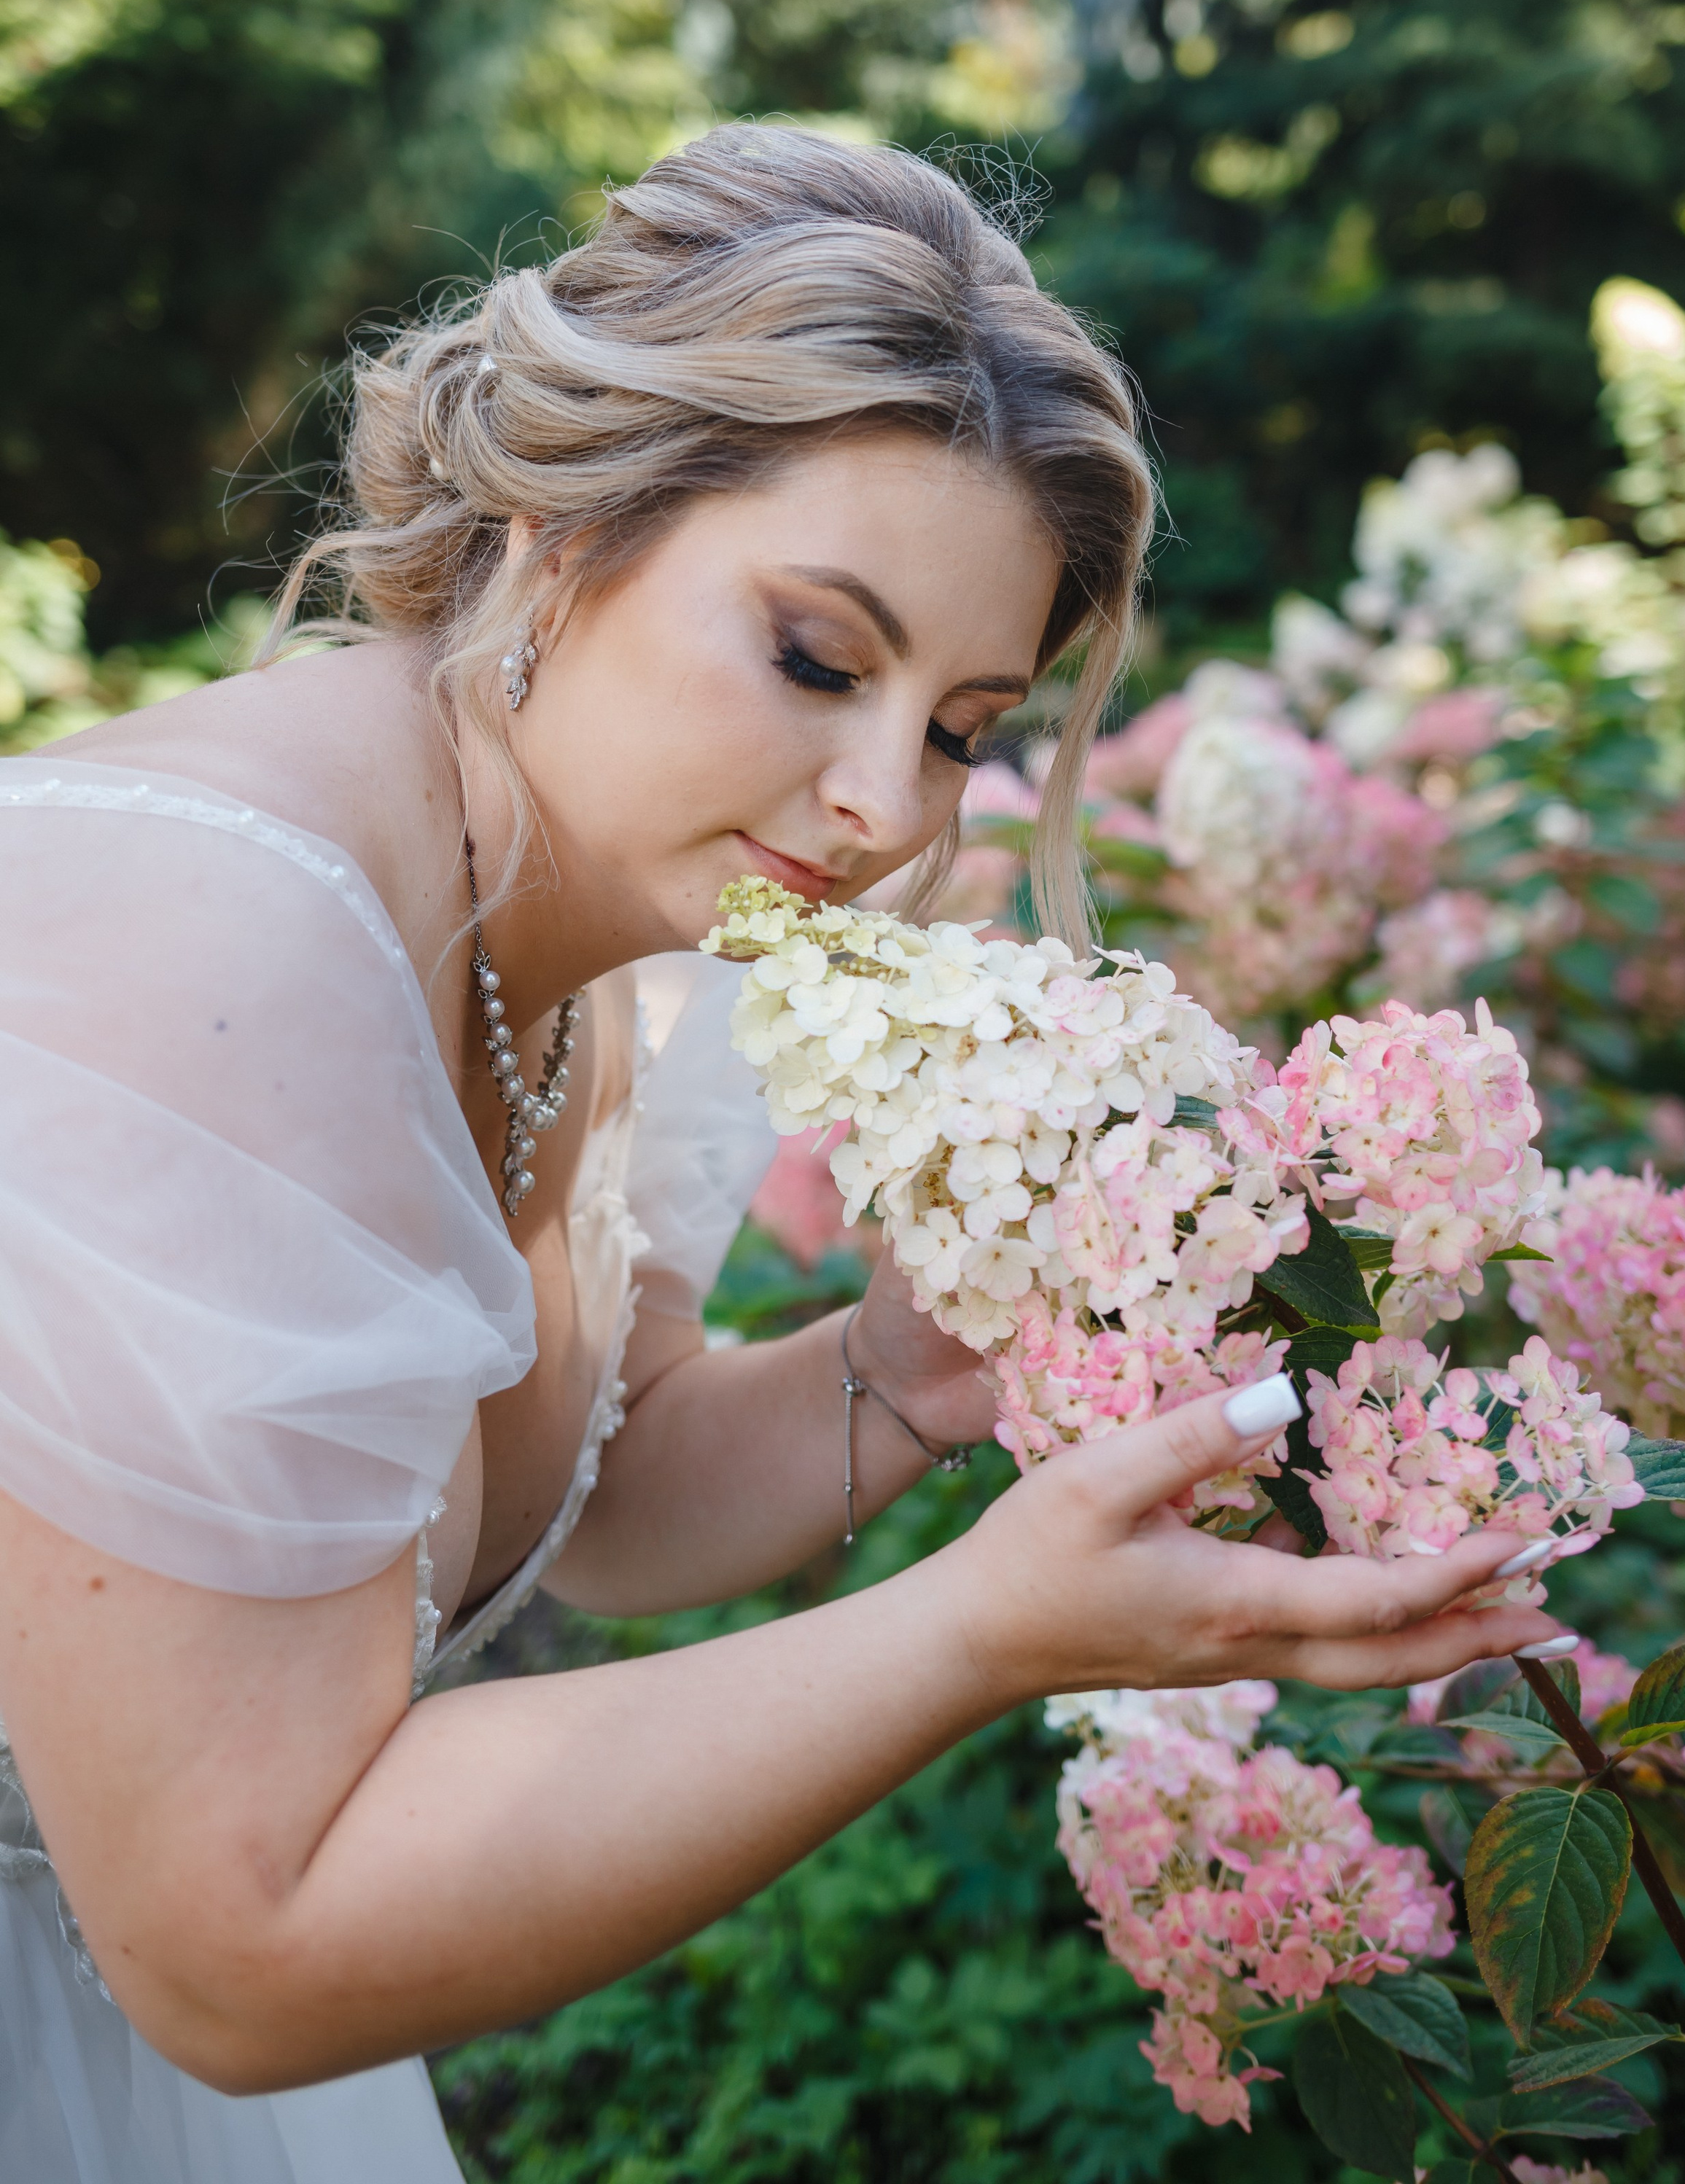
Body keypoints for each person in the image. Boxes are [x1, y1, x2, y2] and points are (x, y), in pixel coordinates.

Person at [0, 126, 1565, 2182]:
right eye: (822, 657)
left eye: (959, 724)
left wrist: (918, 1371)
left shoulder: (607, 922)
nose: (879, 805)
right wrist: (983, 1630)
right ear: (564, 533)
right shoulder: (222, 948)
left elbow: (602, 1488)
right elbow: (237, 1938)